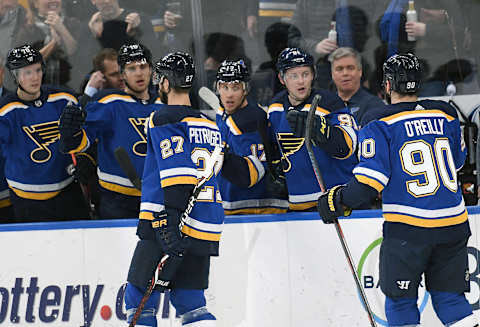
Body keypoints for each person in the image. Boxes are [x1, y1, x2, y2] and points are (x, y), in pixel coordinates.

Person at [317, 53, 477, 327]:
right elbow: (459, 161)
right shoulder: (445, 112)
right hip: (454, 225)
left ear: (388, 85)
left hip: (409, 230)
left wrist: (337, 200)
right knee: (451, 301)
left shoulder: (378, 119)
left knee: (400, 302)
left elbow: (370, 184)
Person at [124, 51, 260, 326]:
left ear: (165, 82)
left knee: (138, 298)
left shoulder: (164, 119)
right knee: (191, 303)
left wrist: (170, 222)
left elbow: (178, 174)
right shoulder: (210, 125)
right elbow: (245, 174)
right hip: (205, 226)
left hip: (167, 224)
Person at [59, 42, 162, 219]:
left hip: (158, 198)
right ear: (123, 74)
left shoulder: (163, 105)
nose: (138, 73)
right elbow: (77, 143)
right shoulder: (108, 102)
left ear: (151, 70)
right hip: (118, 200)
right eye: (131, 68)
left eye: (143, 66)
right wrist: (70, 134)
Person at [0, 44, 89, 221]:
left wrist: (86, 159)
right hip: (27, 200)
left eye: (38, 70)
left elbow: (85, 138)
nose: (35, 78)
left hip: (68, 193)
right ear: (15, 76)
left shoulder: (64, 98)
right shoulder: (6, 110)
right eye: (27, 73)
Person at [267, 47, 358, 211]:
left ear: (313, 74)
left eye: (305, 74)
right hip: (298, 203)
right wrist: (276, 171)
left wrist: (322, 131)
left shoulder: (329, 102)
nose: (300, 81)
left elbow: (348, 146)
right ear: (282, 78)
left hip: (336, 201)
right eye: (293, 76)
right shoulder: (275, 107)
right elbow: (273, 145)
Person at [215, 59, 288, 214]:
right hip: (235, 206)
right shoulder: (223, 115)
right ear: (217, 88)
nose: (229, 94)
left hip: (258, 208)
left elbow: (252, 173)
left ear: (245, 89)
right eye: (224, 87)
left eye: (235, 88)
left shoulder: (251, 119)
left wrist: (220, 155)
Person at [14, 0, 83, 88]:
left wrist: (61, 28)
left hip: (69, 87)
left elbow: (75, 53)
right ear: (35, 4)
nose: (53, 1)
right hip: (37, 90)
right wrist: (52, 44)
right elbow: (26, 64)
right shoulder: (27, 29)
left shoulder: (73, 23)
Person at [328, 47, 385, 127]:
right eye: (339, 69)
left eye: (350, 68)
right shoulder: (325, 106)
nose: (345, 73)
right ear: (332, 74)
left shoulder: (375, 106)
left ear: (360, 71)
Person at [87, 0, 156, 52]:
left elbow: (155, 52)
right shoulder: (91, 25)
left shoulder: (139, 19)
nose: (106, 1)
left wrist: (138, 30)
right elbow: (84, 64)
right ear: (93, 1)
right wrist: (95, 36)